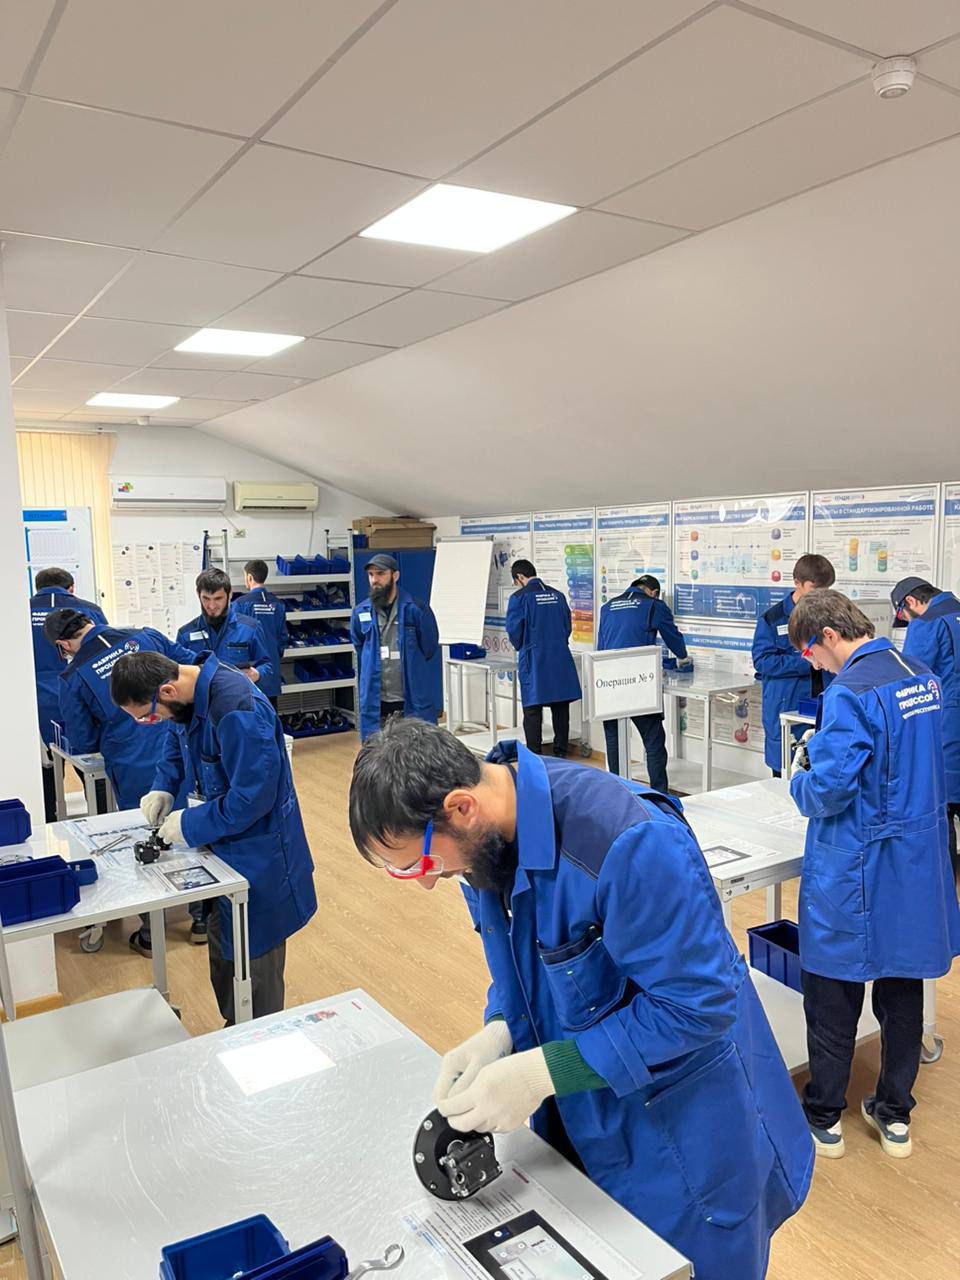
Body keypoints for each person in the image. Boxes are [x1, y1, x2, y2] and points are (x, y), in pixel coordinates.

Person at [348, 718, 812, 1279]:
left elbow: (698, 1006)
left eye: (419, 864)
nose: (426, 881)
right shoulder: (484, 848)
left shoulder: (625, 842)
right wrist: (500, 1029)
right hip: (585, 1126)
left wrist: (543, 1072)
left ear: (461, 807)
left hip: (683, 1141)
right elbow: (531, 968)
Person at [788, 590, 960, 1160]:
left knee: (832, 992)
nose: (814, 664)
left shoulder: (850, 691)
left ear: (829, 636)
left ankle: (824, 1117)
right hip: (915, 861)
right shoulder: (921, 676)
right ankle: (894, 1115)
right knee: (902, 989)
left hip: (857, 861)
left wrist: (799, 779)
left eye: (810, 652)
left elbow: (830, 790)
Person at [111, 650, 317, 1023]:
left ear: (167, 691)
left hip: (260, 856)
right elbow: (176, 741)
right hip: (222, 848)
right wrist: (163, 786)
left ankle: (258, 1042)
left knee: (254, 973)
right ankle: (235, 1032)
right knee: (225, 957)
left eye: (148, 716)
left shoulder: (237, 709)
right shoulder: (186, 698)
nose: (151, 723)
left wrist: (189, 824)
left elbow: (252, 798)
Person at [44, 609, 204, 952]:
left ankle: (151, 931)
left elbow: (83, 738)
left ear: (63, 645)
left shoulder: (73, 676)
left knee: (146, 834)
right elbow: (191, 668)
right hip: (182, 739)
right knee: (190, 823)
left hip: (133, 762)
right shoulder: (146, 635)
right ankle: (202, 916)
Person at [892, 575, 960, 885]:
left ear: (910, 602)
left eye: (903, 616)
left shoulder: (926, 623)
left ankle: (944, 890)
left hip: (947, 731)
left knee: (941, 810)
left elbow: (911, 681)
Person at [597, 574, 691, 788]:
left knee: (614, 740)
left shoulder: (608, 607)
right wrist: (682, 656)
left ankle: (619, 789)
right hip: (639, 682)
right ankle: (659, 792)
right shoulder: (654, 605)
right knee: (653, 739)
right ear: (654, 592)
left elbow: (602, 646)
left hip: (609, 681)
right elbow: (674, 640)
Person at [30, 568, 107, 822]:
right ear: (71, 588)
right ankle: (102, 821)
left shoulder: (19, 611)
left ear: (37, 588)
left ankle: (46, 827)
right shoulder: (89, 611)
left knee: (44, 778)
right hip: (81, 700)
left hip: (36, 706)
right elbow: (104, 653)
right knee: (93, 770)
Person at [752, 554, 836, 776]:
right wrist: (807, 661)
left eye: (826, 589)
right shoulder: (772, 619)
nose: (821, 595)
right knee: (786, 772)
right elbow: (762, 661)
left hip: (825, 703)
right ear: (797, 583)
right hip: (787, 704)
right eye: (815, 588)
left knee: (824, 770)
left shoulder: (831, 616)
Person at [350, 552, 439, 740]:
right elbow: (360, 645)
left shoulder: (416, 609)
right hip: (377, 700)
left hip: (409, 698)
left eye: (380, 574)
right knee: (376, 751)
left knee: (418, 748)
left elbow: (429, 647)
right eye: (371, 574)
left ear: (395, 575)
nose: (375, 580)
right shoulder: (360, 612)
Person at [505, 560, 581, 757]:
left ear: (520, 577)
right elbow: (567, 626)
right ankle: (561, 752)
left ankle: (535, 755)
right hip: (559, 656)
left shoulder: (519, 598)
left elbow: (514, 631)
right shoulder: (558, 595)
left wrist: (523, 645)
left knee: (532, 709)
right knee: (560, 706)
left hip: (534, 658)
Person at [176, 568, 273, 687]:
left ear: (230, 594)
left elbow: (267, 666)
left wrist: (257, 674)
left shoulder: (250, 628)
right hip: (202, 697)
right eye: (206, 598)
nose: (211, 606)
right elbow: (177, 674)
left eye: (218, 598)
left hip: (238, 696)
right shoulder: (185, 635)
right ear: (198, 594)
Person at [233, 559, 288, 710]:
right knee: (271, 714)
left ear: (249, 577)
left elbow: (234, 640)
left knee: (250, 716)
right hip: (271, 671)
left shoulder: (239, 604)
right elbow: (283, 639)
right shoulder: (279, 604)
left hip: (248, 672)